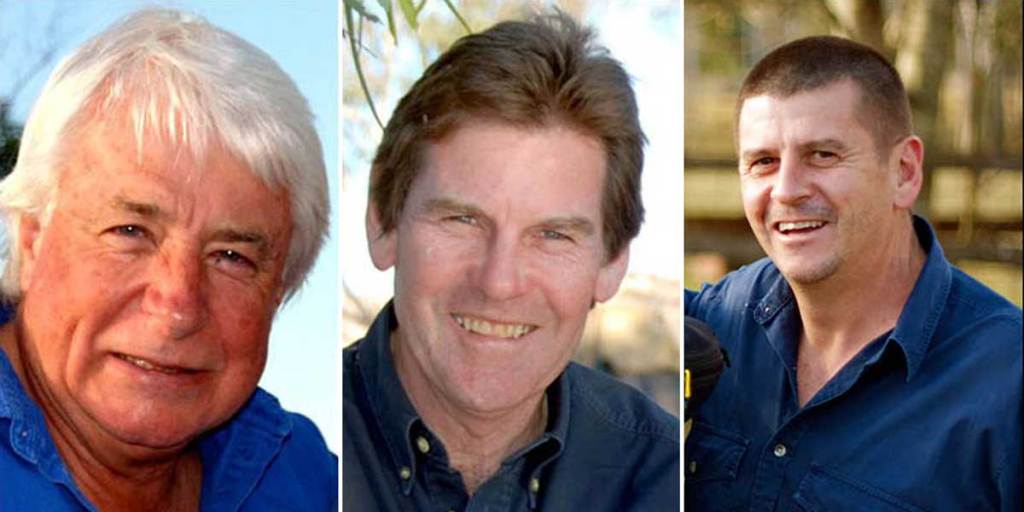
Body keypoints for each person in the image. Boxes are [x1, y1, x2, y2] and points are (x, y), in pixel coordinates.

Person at [0, 9, 336, 510]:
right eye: (130, 232)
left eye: (231, 257)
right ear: (30, 238)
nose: (178, 307)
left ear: (280, 291)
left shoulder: (308, 478)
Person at [343, 11, 679, 511]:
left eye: (552, 235)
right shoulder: (310, 461)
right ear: (383, 225)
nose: (499, 283)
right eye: (462, 220)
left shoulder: (666, 479)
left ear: (612, 263)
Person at [685, 35, 1021, 511]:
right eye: (763, 162)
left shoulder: (1005, 382)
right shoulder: (716, 324)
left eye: (823, 155)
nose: (786, 191)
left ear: (904, 172)